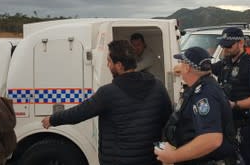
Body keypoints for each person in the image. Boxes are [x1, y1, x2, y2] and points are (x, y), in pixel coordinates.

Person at [42, 40, 172, 165]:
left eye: (109, 61)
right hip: (151, 160)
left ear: (119, 66)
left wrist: (53, 119)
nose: (107, 65)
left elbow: (79, 113)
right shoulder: (158, 86)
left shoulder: (108, 93)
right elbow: (168, 122)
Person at [155, 47, 237, 165]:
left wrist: (173, 157)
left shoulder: (205, 94)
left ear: (187, 67)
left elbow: (211, 139)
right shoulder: (201, 86)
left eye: (182, 63)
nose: (179, 66)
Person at [211, 27, 250, 165]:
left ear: (241, 43)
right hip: (231, 126)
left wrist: (235, 104)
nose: (225, 49)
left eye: (228, 46)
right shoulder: (226, 63)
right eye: (223, 45)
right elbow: (206, 68)